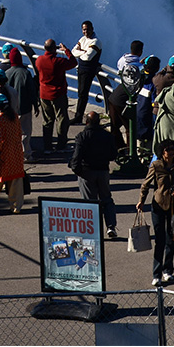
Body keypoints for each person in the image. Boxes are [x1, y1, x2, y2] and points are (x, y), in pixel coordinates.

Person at [140, 137, 174, 286]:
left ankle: (168, 270)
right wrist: (141, 200)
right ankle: (156, 273)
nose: (171, 153)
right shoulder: (156, 166)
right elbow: (146, 185)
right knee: (159, 240)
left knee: (171, 239)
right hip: (158, 206)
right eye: (168, 150)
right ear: (162, 152)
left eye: (173, 150)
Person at [71, 110, 121, 240]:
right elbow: (113, 155)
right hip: (103, 171)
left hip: (87, 172)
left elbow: (77, 156)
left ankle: (93, 229)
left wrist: (77, 170)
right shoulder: (107, 136)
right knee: (107, 200)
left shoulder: (82, 136)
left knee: (90, 203)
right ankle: (111, 226)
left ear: (86, 122)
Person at [0, 92, 27, 212]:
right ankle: (16, 206)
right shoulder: (14, 116)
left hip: (3, 153)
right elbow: (19, 133)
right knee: (16, 180)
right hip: (16, 152)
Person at [33, 38, 75, 154]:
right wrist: (66, 50)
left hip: (44, 95)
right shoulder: (58, 61)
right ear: (54, 49)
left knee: (47, 120)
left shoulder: (39, 60)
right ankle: (61, 145)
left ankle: (47, 146)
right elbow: (73, 62)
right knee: (61, 119)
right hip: (58, 94)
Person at [71, 21, 102, 122]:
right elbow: (73, 52)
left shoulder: (96, 41)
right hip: (81, 69)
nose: (86, 31)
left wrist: (81, 52)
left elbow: (88, 57)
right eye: (84, 29)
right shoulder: (83, 39)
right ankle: (78, 116)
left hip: (88, 70)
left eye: (88, 29)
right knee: (81, 93)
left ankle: (78, 117)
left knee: (83, 94)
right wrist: (83, 52)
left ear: (92, 29)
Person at [0, 46, 36, 121]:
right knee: (25, 132)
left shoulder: (6, 73)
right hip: (25, 109)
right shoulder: (26, 73)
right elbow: (32, 91)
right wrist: (35, 105)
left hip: (11, 110)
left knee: (13, 131)